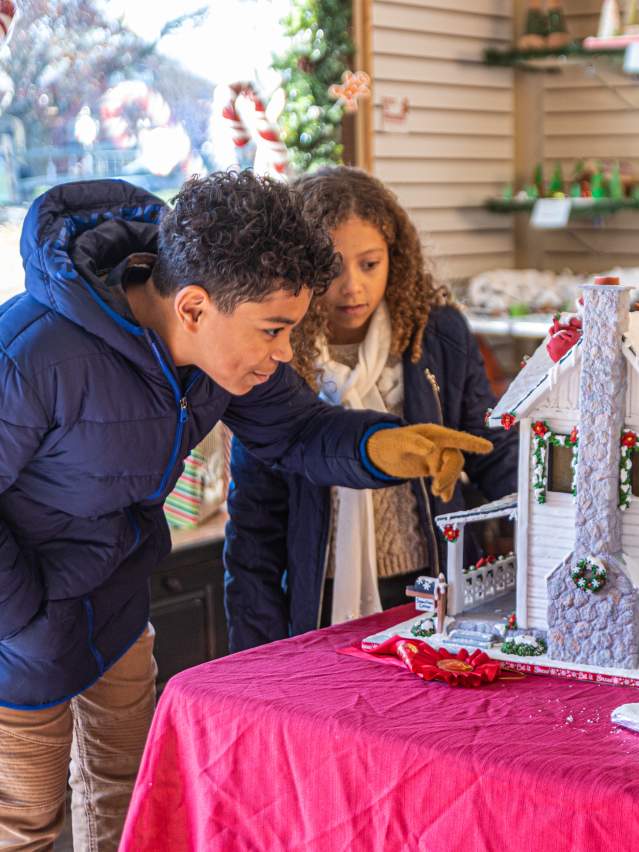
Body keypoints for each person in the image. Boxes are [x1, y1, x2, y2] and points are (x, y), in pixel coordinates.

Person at [0, 170, 490, 850]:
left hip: (115, 614)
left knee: (127, 799)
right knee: (22, 824)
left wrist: (385, 444)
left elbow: (296, 430)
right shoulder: (29, 353)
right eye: (274, 330)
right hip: (17, 635)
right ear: (194, 307)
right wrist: (25, 612)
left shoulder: (214, 353)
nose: (285, 351)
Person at [224, 166, 519, 650]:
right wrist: (253, 651)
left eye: (369, 264)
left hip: (432, 583)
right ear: (299, 264)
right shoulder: (272, 348)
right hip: (318, 594)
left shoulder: (437, 331)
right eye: (332, 266)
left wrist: (545, 518)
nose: (352, 287)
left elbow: (491, 447)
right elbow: (255, 522)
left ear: (395, 260)